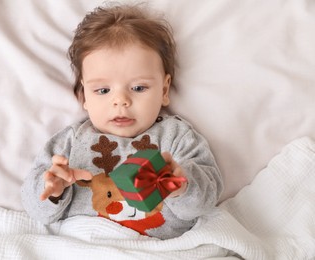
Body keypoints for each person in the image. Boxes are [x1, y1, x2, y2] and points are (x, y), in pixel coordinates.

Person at [21, 3, 223, 240]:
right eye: (103, 90)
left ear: (164, 89)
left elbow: (207, 201)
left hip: (155, 249)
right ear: (84, 95)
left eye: (138, 87)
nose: (121, 101)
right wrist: (52, 190)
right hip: (84, 246)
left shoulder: (177, 137)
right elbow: (36, 210)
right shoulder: (71, 142)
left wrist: (182, 185)